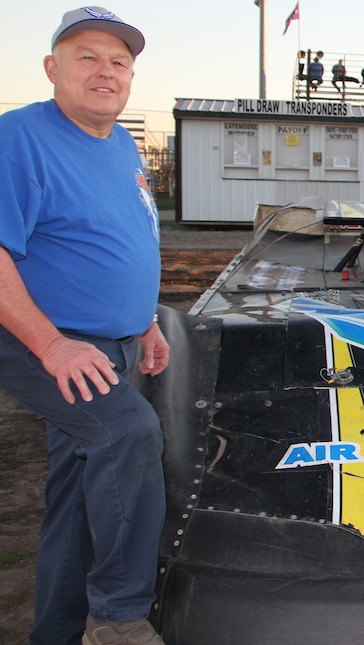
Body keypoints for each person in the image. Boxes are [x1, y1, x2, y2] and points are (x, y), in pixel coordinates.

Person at [0, 7, 170, 645]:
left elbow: (123, 237)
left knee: (77, 501)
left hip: (111, 343)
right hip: (46, 339)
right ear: (51, 68)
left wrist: (144, 320)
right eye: (88, 57)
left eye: (119, 62)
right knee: (128, 434)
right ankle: (120, 617)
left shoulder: (121, 141)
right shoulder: (18, 138)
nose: (107, 71)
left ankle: (57, 632)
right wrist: (50, 344)